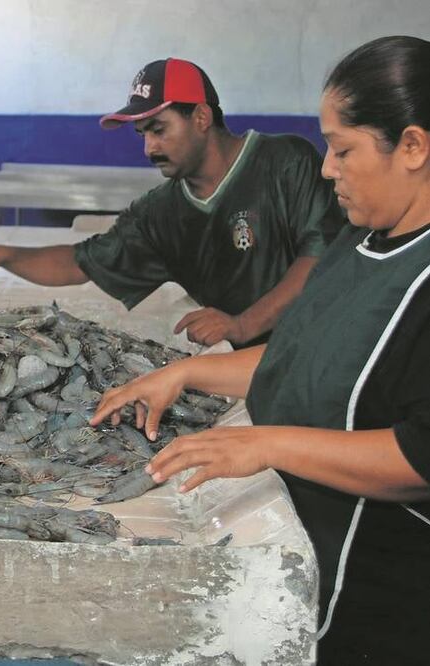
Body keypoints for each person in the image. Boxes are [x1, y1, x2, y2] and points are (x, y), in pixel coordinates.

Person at [91, 36, 430, 663]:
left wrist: (266, 444)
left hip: (390, 600)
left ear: (412, 146)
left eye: (343, 149)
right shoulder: (359, 240)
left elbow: (419, 458)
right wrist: (187, 374)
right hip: (310, 566)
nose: (327, 169)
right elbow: (304, 357)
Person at [0, 58, 346, 348]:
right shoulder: (159, 213)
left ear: (201, 117)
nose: (149, 148)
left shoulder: (284, 161)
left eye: (159, 130)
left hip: (321, 351)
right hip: (244, 371)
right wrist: (6, 254)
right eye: (142, 135)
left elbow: (320, 257)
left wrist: (242, 325)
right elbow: (80, 263)